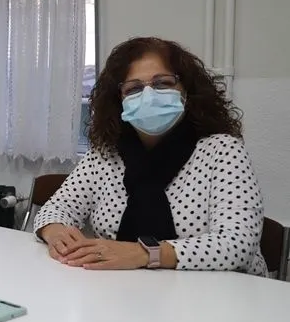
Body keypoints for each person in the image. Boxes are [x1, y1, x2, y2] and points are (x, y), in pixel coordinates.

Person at [34, 37, 265, 275]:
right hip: (122, 292)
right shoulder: (104, 154)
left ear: (186, 90)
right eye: (133, 89)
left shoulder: (223, 150)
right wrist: (55, 231)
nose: (149, 96)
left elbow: (237, 244)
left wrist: (145, 253)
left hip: (217, 296)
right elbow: (57, 208)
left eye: (163, 83)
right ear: (119, 100)